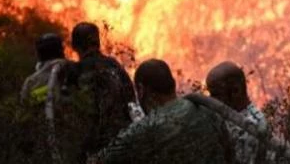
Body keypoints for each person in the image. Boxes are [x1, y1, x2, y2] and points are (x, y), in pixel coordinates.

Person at [93, 59, 234, 164]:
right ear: (172, 83)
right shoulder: (207, 109)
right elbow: (230, 153)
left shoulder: (145, 129)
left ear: (142, 90)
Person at [67, 22, 136, 160]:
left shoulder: (75, 70)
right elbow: (131, 99)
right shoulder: (114, 65)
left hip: (94, 147)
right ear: (98, 42)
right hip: (123, 140)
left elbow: (69, 112)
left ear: (74, 46)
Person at [207, 61, 271, 164]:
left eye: (216, 94)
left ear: (236, 91)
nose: (211, 100)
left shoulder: (250, 128)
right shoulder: (230, 117)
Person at [20, 33, 69, 105]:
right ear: (61, 50)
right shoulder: (75, 69)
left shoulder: (31, 81)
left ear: (39, 54)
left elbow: (24, 105)